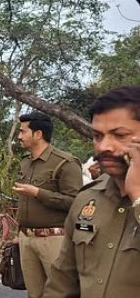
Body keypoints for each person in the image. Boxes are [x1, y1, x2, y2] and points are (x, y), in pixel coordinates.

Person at [43, 85, 140, 298]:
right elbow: (62, 283)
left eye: (120, 135)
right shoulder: (87, 199)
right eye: (97, 136)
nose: (104, 146)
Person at [13, 112, 82, 298]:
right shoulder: (25, 163)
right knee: (34, 294)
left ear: (38, 134)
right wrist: (18, 234)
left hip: (55, 240)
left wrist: (38, 193)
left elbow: (76, 202)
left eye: (23, 132)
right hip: (26, 238)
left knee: (60, 293)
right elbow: (24, 202)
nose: (19, 136)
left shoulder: (65, 163)